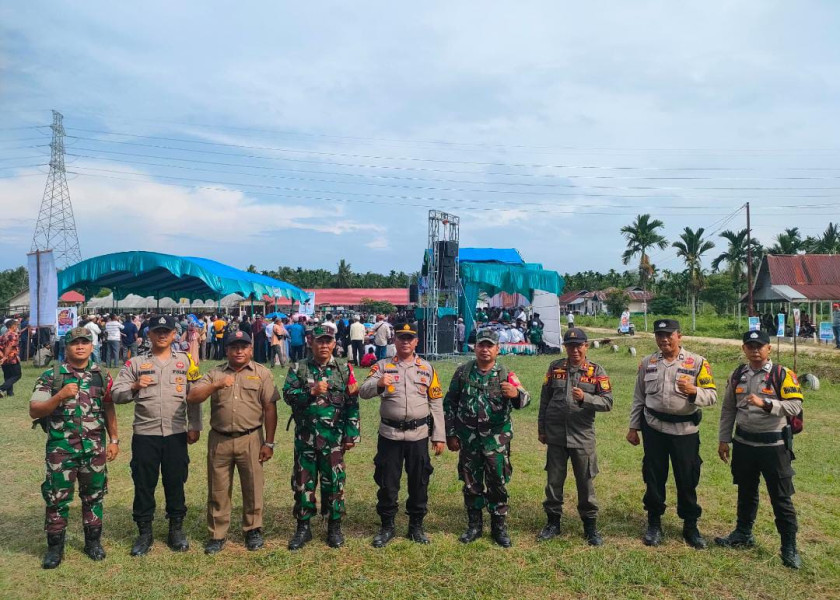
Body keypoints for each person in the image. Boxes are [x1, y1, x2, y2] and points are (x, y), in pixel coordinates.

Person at [112, 315, 203, 556]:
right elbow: (116, 394)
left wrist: (194, 425)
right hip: (145, 433)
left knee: (176, 480)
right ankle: (144, 533)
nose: (162, 335)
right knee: (144, 483)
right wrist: (134, 386)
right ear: (149, 334)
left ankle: (176, 530)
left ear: (174, 334)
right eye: (157, 331)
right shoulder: (135, 363)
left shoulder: (186, 362)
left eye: (167, 331)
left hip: (176, 433)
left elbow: (194, 396)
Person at [29, 327, 120, 569]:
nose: (80, 346)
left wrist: (114, 440)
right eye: (74, 343)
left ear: (92, 346)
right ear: (66, 347)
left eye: (85, 342)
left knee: (94, 496)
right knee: (56, 498)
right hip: (61, 451)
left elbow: (109, 408)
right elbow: (35, 410)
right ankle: (54, 549)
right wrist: (59, 396)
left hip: (94, 450)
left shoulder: (102, 375)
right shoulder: (52, 376)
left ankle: (93, 543)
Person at [715, 329, 804, 569]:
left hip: (773, 446)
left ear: (769, 348)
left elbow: (794, 406)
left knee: (781, 497)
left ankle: (789, 546)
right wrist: (724, 439)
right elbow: (728, 409)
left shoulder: (782, 374)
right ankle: (743, 533)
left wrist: (765, 403)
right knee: (746, 491)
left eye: (759, 346)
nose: (755, 350)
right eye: (750, 346)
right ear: (744, 349)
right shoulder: (738, 375)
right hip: (744, 445)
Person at [627, 318, 717, 549]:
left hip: (685, 431)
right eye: (660, 335)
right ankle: (654, 522)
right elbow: (639, 397)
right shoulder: (647, 363)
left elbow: (711, 396)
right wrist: (633, 427)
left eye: (669, 335)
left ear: (679, 336)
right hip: (654, 429)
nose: (664, 339)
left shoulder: (697, 362)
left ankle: (690, 525)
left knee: (687, 478)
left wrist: (694, 391)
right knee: (654, 476)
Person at [187, 330, 279, 554]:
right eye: (234, 347)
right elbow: (193, 396)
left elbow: (270, 408)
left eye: (243, 347)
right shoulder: (215, 373)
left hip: (251, 438)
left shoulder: (262, 373)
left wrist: (269, 443)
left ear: (250, 350)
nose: (239, 351)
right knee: (217, 488)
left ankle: (253, 529)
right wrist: (216, 385)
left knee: (253, 486)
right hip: (220, 439)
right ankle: (217, 534)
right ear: (226, 350)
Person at [359, 322, 446, 547]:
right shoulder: (382, 366)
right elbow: (363, 391)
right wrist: (379, 384)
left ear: (416, 342)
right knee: (387, 482)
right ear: (394, 341)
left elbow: (436, 402)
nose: (405, 342)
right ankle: (387, 526)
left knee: (419, 482)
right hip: (390, 435)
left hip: (418, 435)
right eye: (401, 338)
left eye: (409, 338)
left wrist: (439, 435)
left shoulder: (427, 368)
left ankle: (416, 526)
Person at [443, 328, 530, 548]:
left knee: (497, 483)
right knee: (471, 483)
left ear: (497, 349)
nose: (485, 349)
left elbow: (525, 399)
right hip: (469, 440)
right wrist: (450, 434)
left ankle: (498, 528)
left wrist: (516, 394)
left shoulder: (505, 374)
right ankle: (474, 526)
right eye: (481, 345)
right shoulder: (463, 372)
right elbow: (450, 403)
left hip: (495, 441)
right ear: (475, 347)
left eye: (489, 345)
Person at [282, 326, 360, 550]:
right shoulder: (299, 368)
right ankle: (303, 527)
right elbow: (288, 395)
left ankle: (334, 527)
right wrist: (311, 392)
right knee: (302, 482)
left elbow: (352, 403)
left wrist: (351, 434)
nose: (324, 345)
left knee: (334, 482)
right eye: (320, 341)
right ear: (311, 343)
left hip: (333, 439)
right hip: (305, 438)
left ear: (334, 344)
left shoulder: (344, 369)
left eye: (328, 341)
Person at [537, 328, 613, 545]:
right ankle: (553, 523)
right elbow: (545, 400)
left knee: (585, 482)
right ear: (565, 347)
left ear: (586, 346)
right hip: (556, 435)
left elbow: (608, 402)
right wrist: (542, 429)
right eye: (570, 346)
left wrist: (586, 398)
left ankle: (590, 527)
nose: (575, 350)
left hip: (582, 436)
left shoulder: (596, 371)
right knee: (554, 481)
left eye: (579, 345)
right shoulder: (555, 368)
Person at [0, 319, 22, 397]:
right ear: (12, 326)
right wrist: (5, 357)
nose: (17, 327)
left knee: (8, 375)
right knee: (17, 375)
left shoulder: (3, 335)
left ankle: (10, 393)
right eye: (16, 325)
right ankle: (1, 388)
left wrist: (2, 357)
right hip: (11, 358)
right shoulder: (13, 334)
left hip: (4, 358)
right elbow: (9, 346)